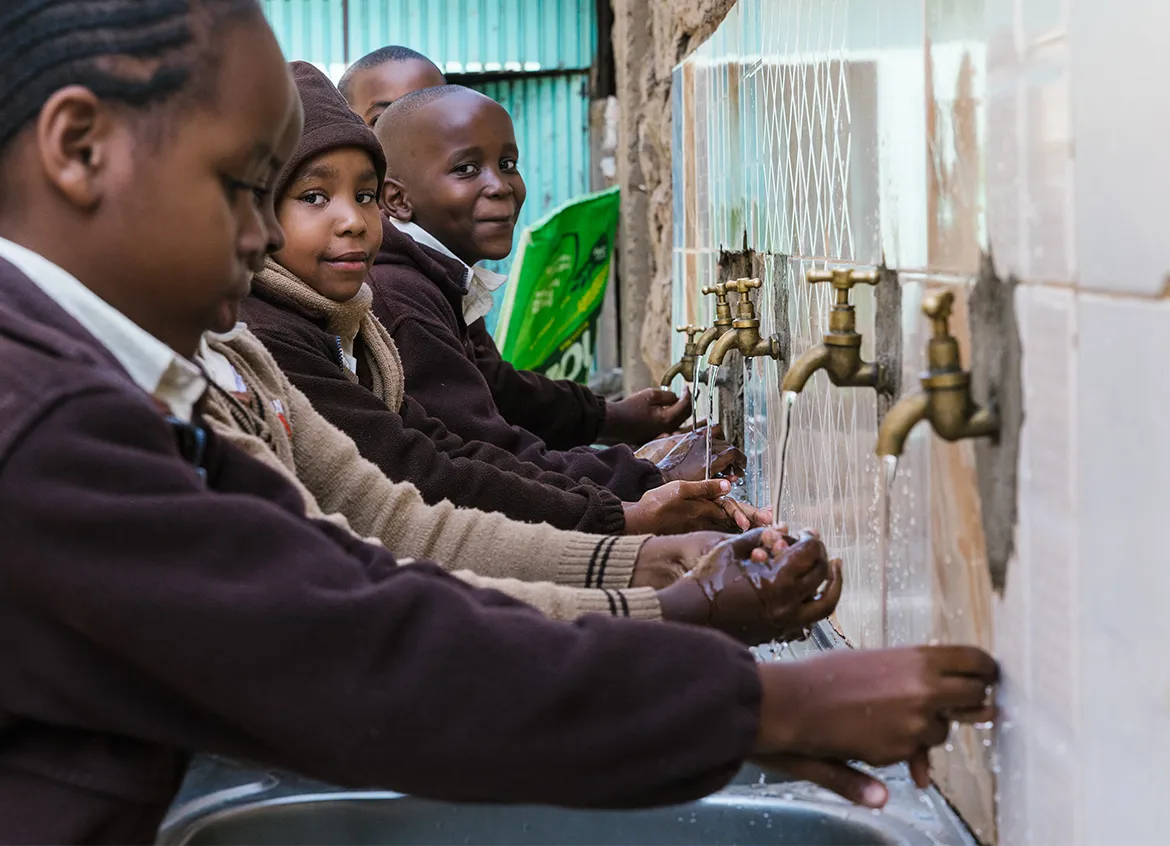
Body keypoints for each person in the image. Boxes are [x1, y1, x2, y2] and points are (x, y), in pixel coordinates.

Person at [0, 3, 999, 841]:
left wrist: (649, 591)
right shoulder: (46, 422)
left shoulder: (115, 380)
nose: (266, 235)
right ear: (79, 148)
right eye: (241, 188)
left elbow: (360, 567)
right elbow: (355, 653)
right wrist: (772, 702)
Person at [242, 62, 757, 536]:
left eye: (363, 195)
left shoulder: (361, 319)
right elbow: (434, 479)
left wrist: (621, 451)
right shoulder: (377, 307)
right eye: (313, 197)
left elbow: (455, 441)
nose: (353, 219)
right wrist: (632, 495)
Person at [343, 45, 697, 452]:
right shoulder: (390, 290)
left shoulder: (439, 263)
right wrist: (637, 480)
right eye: (385, 117)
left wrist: (609, 419)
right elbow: (476, 456)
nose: (498, 185)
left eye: (508, 164)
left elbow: (492, 387)